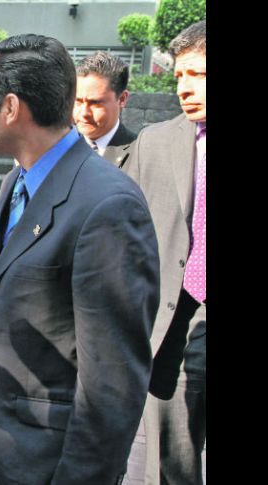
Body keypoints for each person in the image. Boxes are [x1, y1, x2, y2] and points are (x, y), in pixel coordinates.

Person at [0, 34, 160, 484]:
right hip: (4, 448)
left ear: (11, 107)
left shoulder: (107, 206)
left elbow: (112, 386)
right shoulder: (20, 177)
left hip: (50, 463)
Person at [122, 20, 207, 485]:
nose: (185, 88)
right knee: (174, 465)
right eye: (179, 76)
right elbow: (126, 235)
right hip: (177, 322)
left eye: (198, 74)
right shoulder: (154, 143)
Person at [74, 51, 136, 167]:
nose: (83, 113)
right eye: (78, 101)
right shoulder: (57, 148)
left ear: (122, 99)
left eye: (95, 103)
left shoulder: (139, 154)